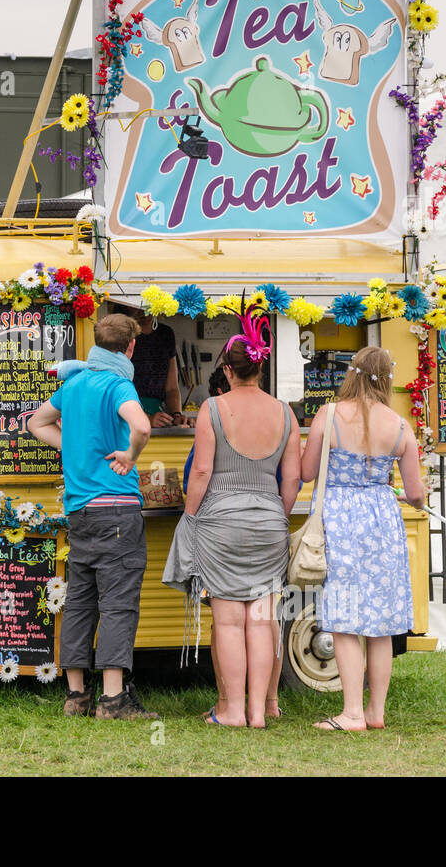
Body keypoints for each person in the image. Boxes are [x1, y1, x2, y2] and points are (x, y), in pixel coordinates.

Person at [163, 305, 300, 728]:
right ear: (260, 368)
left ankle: (231, 710)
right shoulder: (286, 412)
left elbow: (201, 470)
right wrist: (276, 514)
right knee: (262, 618)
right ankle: (259, 712)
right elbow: (292, 479)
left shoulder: (213, 410)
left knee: (227, 620)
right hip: (269, 520)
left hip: (221, 521)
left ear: (226, 368)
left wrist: (190, 516)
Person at [28, 313, 157, 721]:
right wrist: (130, 455)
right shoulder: (118, 384)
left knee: (81, 602)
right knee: (118, 603)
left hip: (79, 512)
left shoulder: (74, 383)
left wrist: (71, 447)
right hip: (117, 510)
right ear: (131, 347)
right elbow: (142, 425)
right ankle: (113, 701)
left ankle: (76, 695)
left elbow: (35, 423)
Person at [302, 346, 424, 732]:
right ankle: (375, 712)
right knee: (381, 622)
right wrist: (401, 495)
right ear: (387, 377)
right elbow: (417, 494)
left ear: (351, 374)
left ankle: (351, 712)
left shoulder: (330, 414)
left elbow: (307, 471)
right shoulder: (400, 425)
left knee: (344, 617)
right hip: (382, 520)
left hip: (339, 519)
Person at [131, 311, 185, 427]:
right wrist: (146, 419)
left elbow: (172, 388)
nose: (144, 312)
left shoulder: (166, 334)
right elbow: (118, 394)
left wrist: (176, 415)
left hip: (158, 412)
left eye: (148, 307)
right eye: (137, 307)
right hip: (129, 414)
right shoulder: (124, 335)